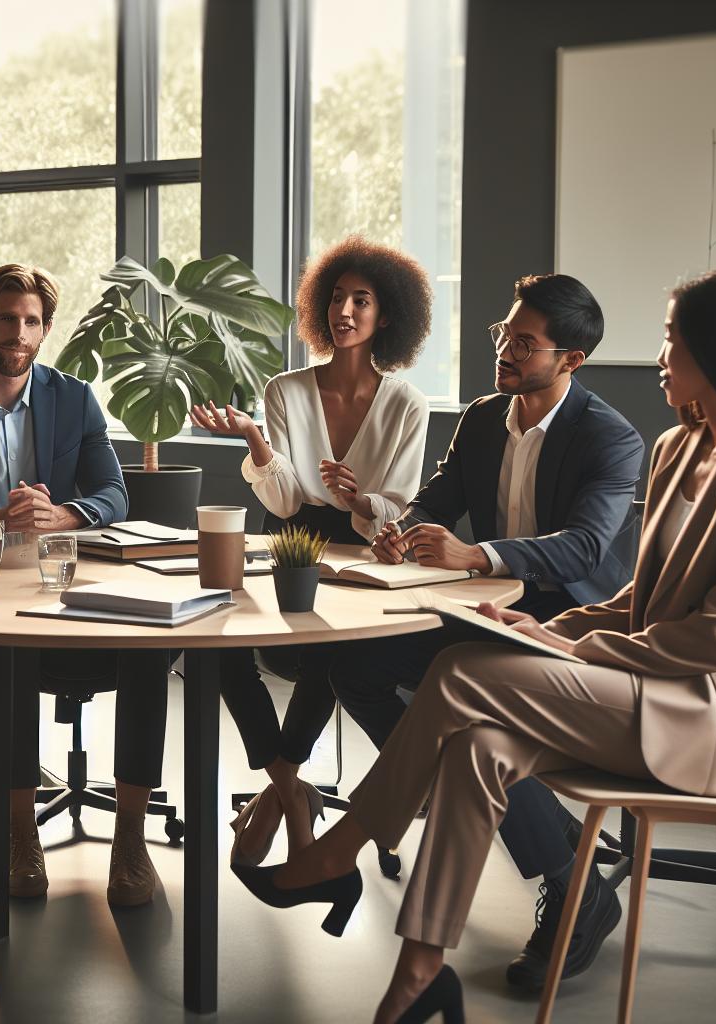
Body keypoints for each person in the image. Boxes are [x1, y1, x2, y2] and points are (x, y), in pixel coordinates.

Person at [236, 269, 716, 1024]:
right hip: (652, 687)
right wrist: (553, 634)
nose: (659, 357)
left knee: (461, 671)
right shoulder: (679, 447)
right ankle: (420, 973)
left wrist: (576, 649)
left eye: (671, 341)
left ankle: (340, 851)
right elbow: (639, 599)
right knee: (476, 746)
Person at [337, 273, 647, 991]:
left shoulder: (610, 437)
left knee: (468, 702)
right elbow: (437, 498)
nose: (505, 349)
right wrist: (401, 531)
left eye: (524, 342)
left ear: (571, 359)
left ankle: (575, 889)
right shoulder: (483, 416)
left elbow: (586, 549)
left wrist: (477, 555)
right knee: (351, 665)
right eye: (503, 334)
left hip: (568, 619)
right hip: (489, 607)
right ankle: (459, 792)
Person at [0, 263, 170, 907]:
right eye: (6, 319)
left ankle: (129, 838)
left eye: (32, 322)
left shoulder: (73, 398)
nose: (19, 332)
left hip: (64, 578)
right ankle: (21, 835)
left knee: (149, 652)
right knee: (9, 655)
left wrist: (61, 515)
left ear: (44, 329)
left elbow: (114, 493)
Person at [186, 236, 433, 865]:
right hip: (294, 542)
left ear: (387, 317)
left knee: (332, 655)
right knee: (211, 642)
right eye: (337, 298)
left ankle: (282, 793)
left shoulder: (407, 402)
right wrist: (254, 441)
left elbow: (395, 501)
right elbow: (291, 501)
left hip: (368, 550)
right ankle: (290, 785)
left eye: (363, 300)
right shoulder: (286, 390)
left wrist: (360, 501)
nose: (345, 311)